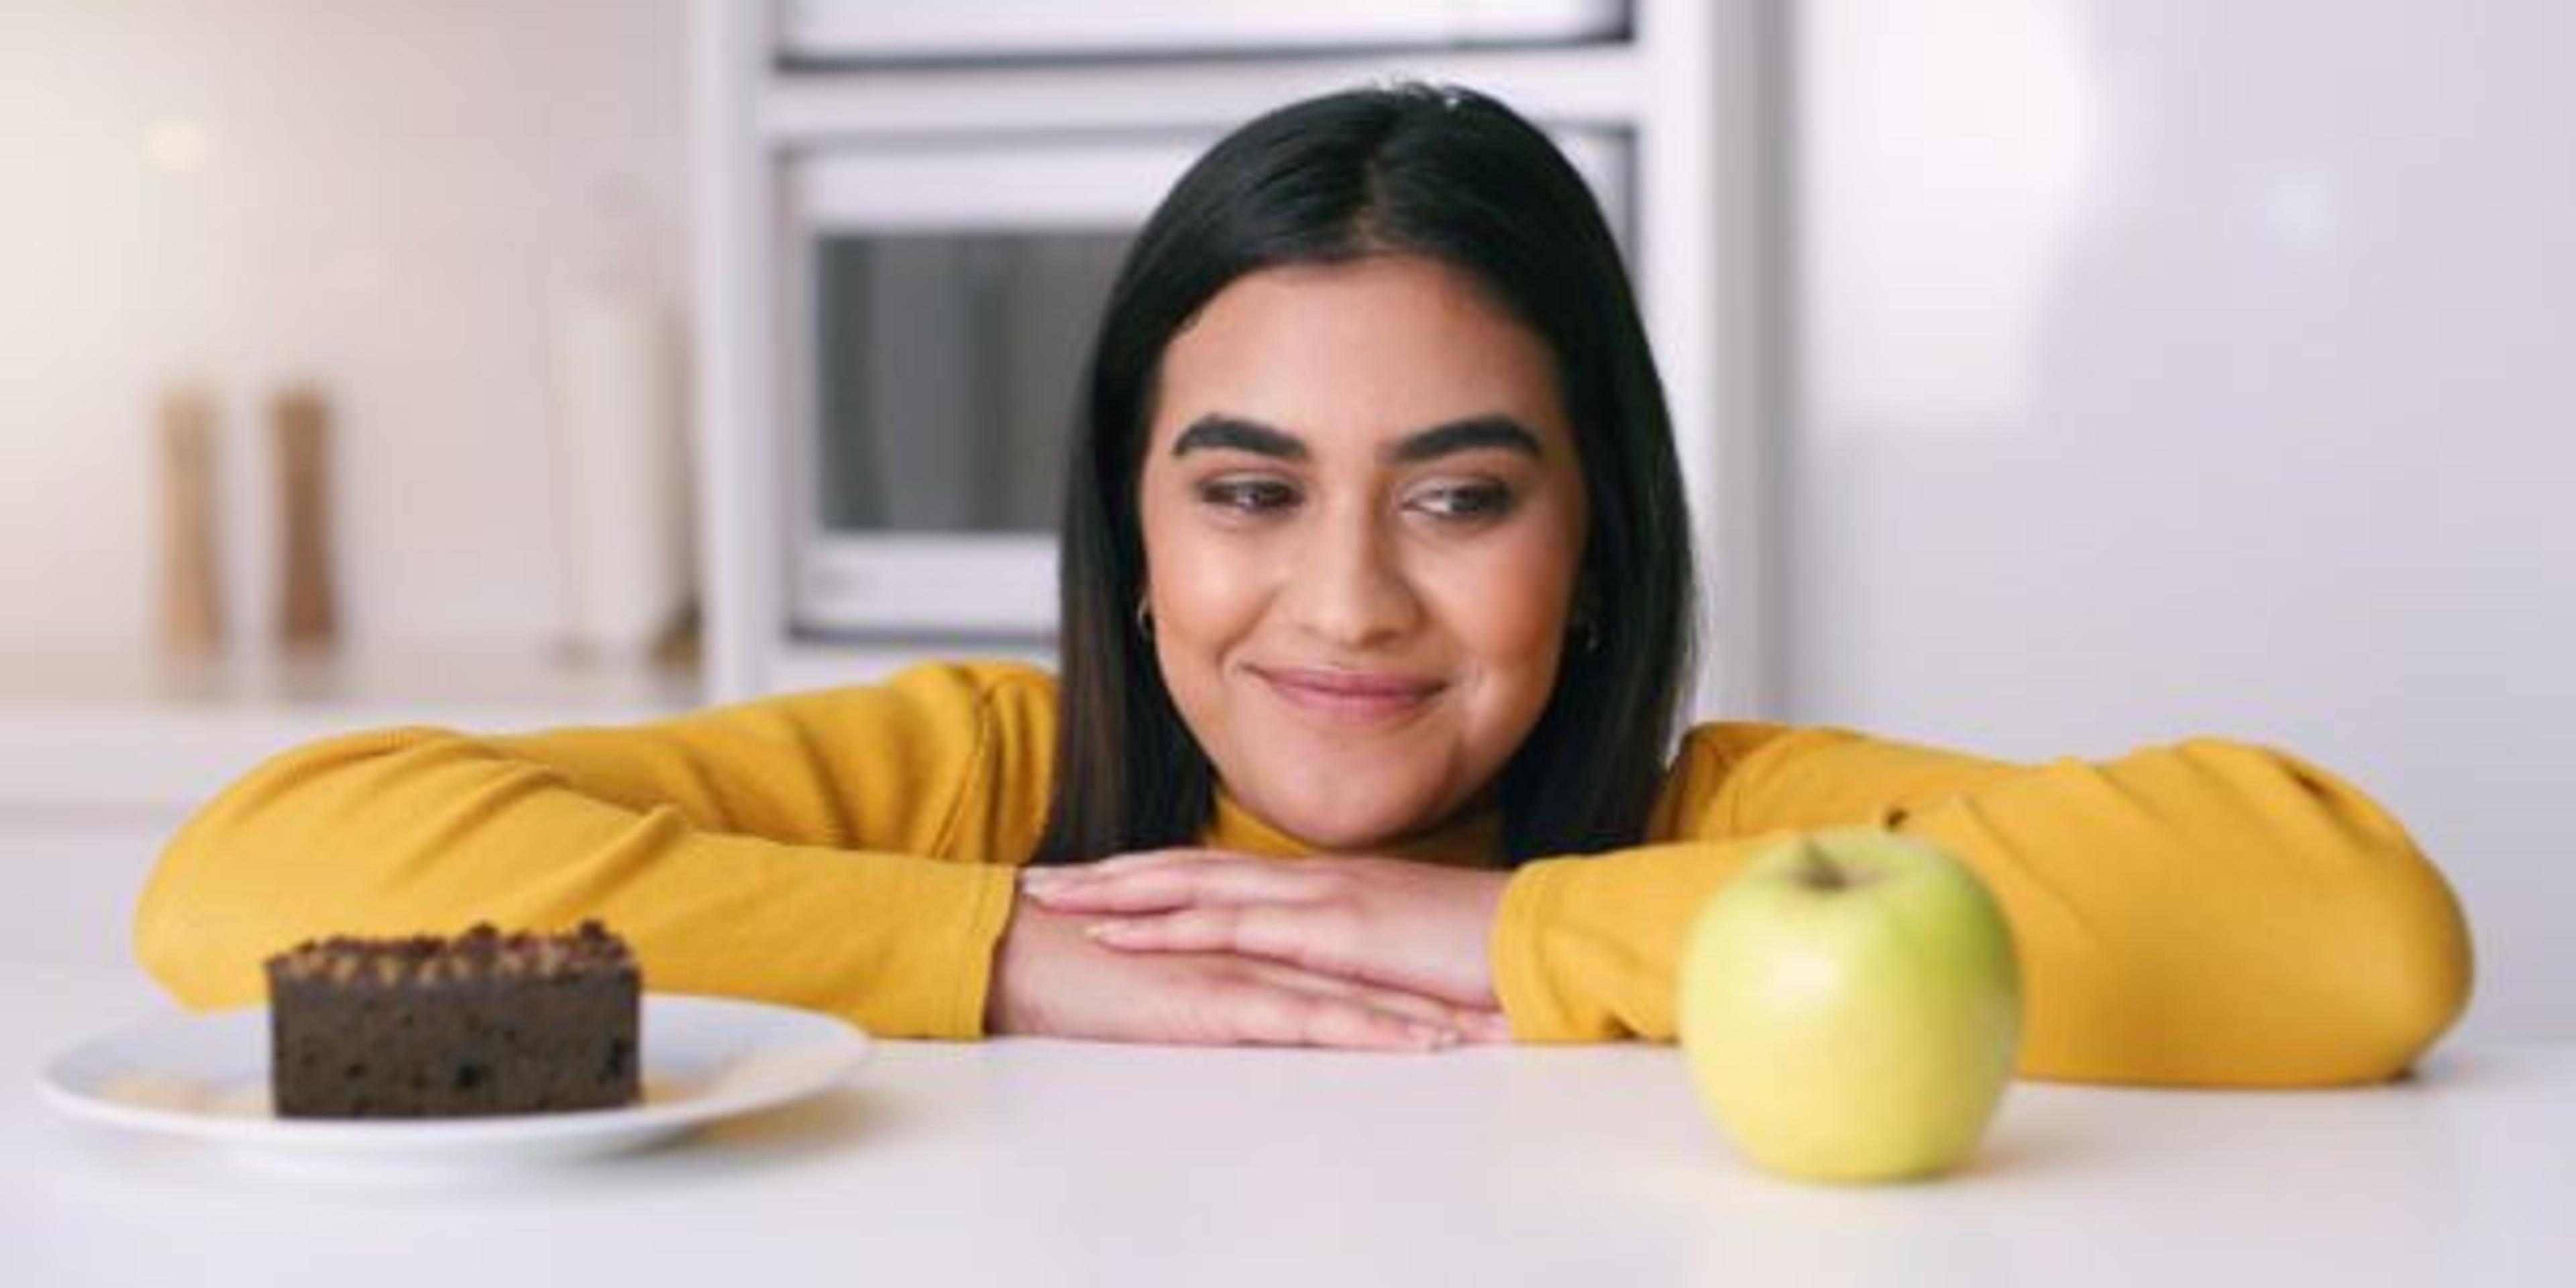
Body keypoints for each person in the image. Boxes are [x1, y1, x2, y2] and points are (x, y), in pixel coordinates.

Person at [135, 84, 2471, 1085]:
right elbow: (251, 879)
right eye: (1248, 490)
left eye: (1460, 499)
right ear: (1135, 528)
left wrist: (1520, 936)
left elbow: (2355, 935)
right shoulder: (979, 784)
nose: (1345, 606)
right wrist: (998, 958)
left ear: (1599, 535)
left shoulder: (1712, 833)